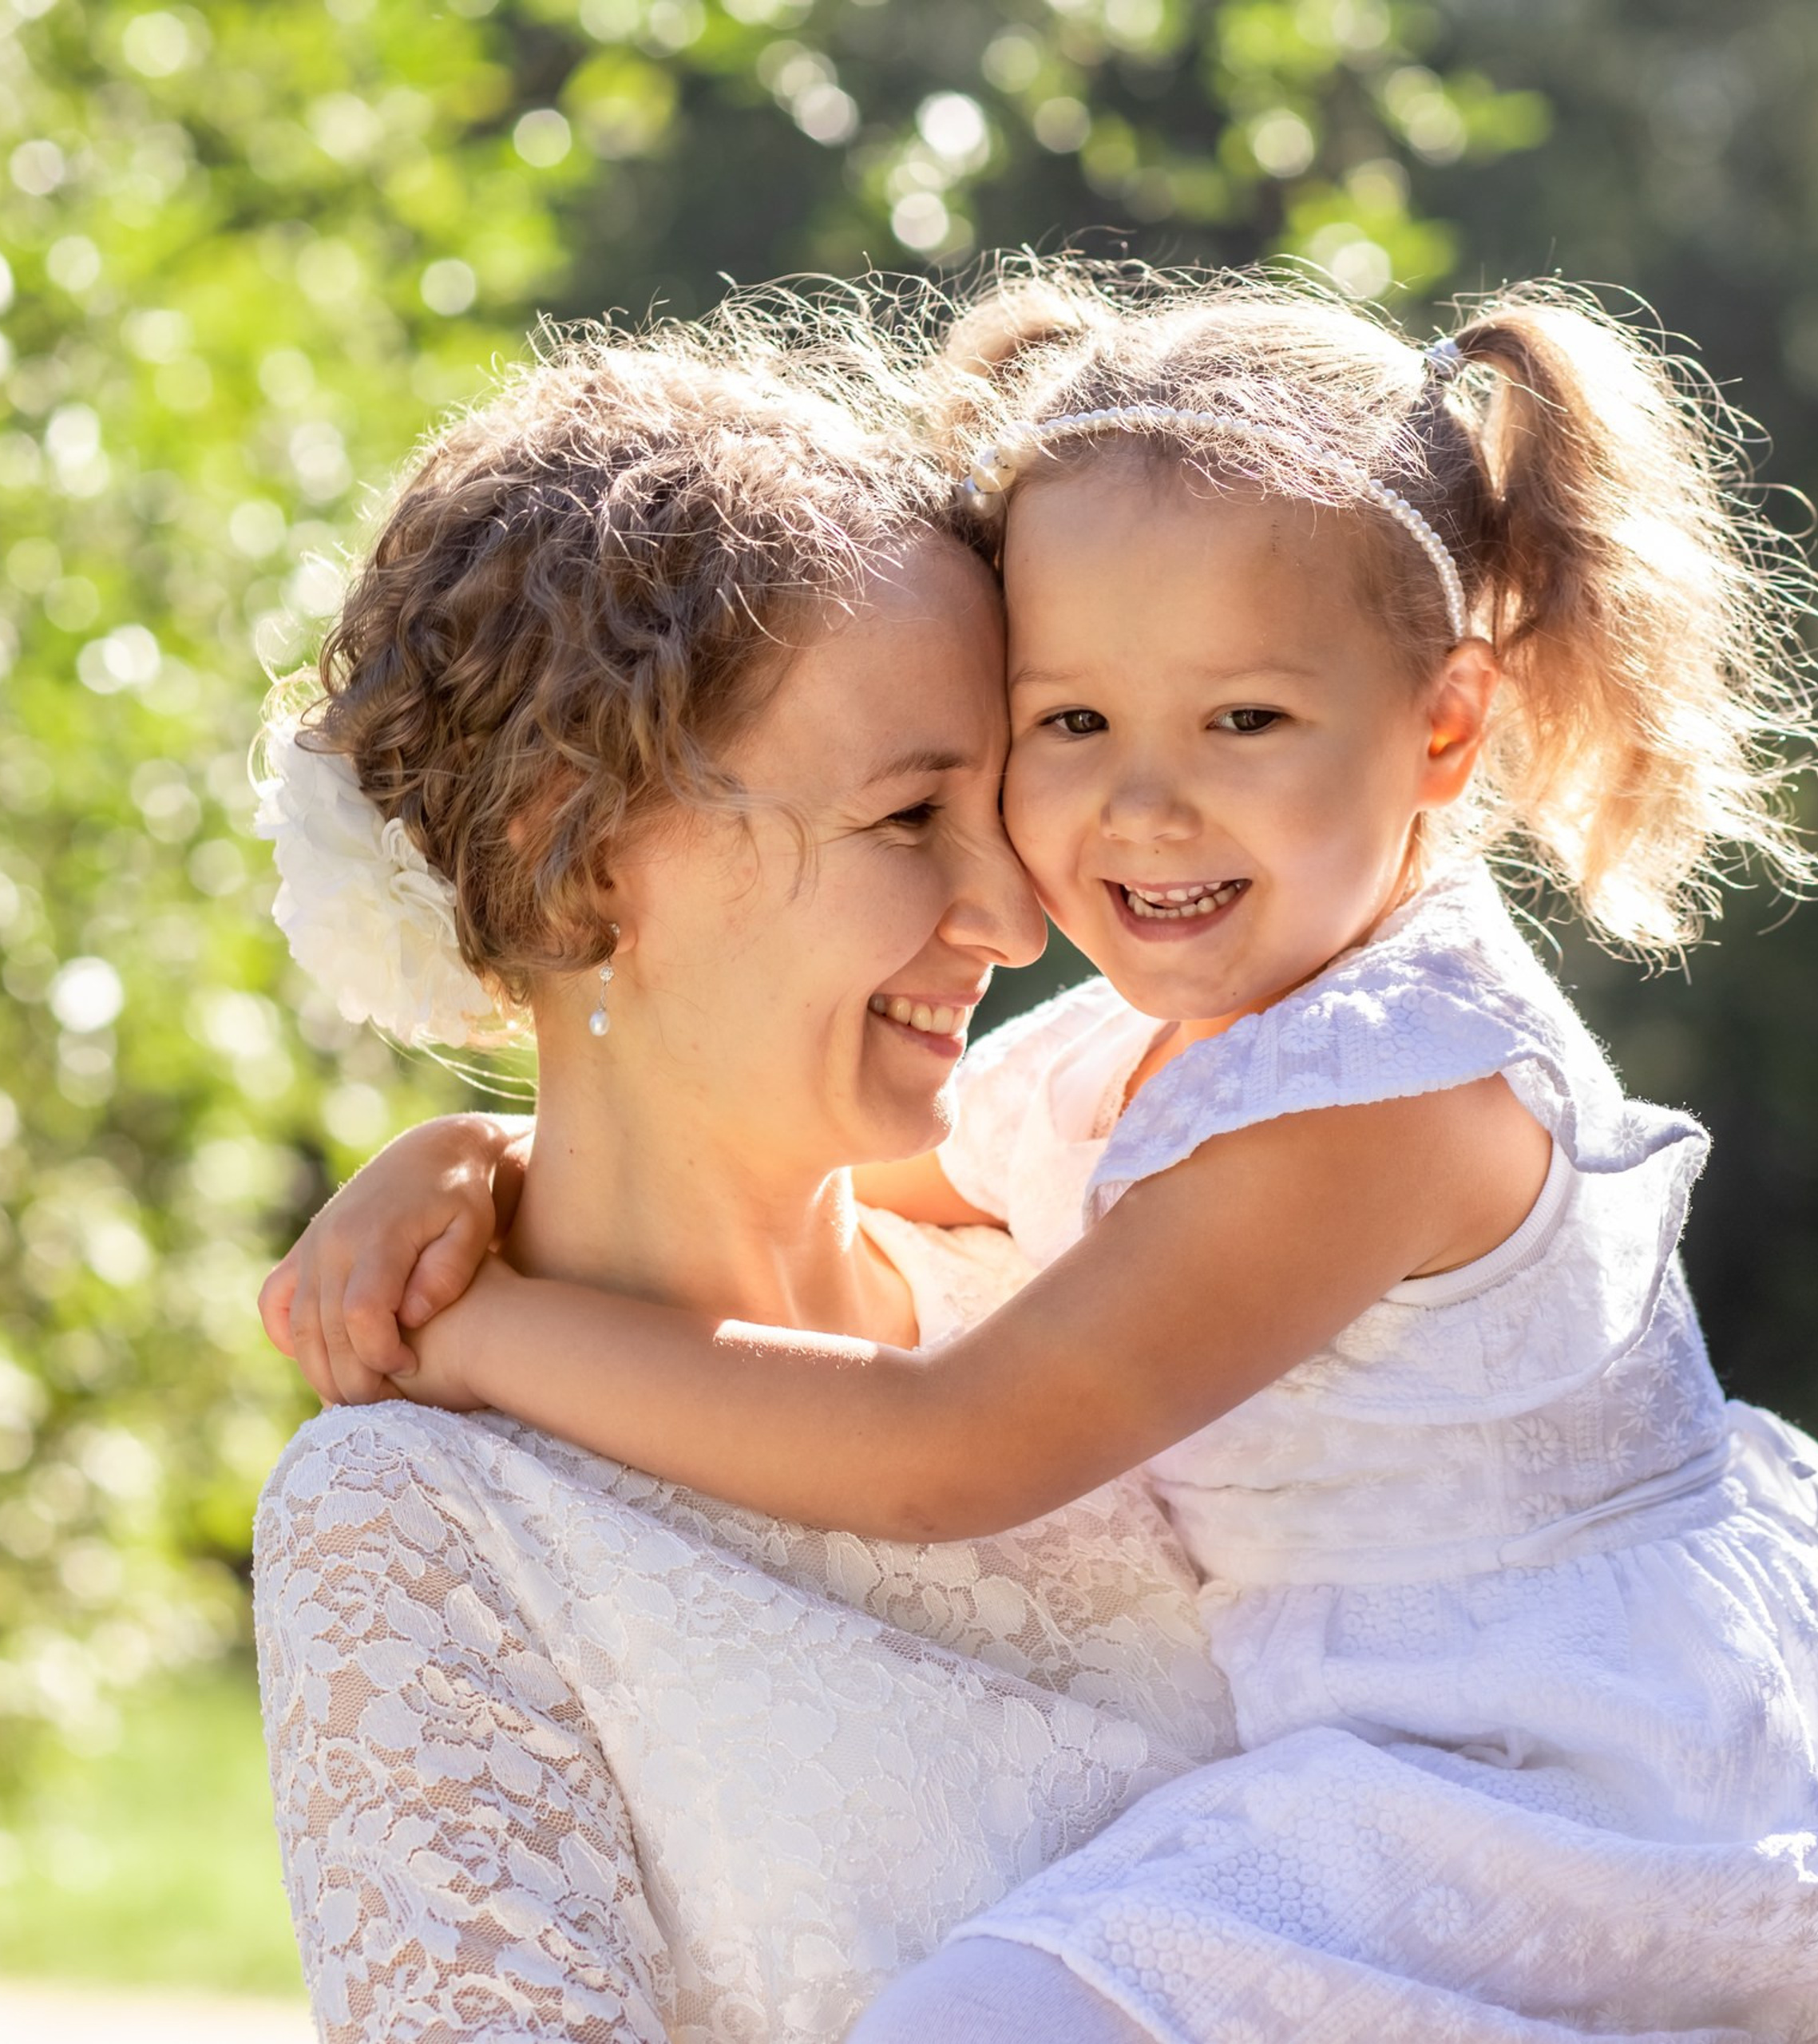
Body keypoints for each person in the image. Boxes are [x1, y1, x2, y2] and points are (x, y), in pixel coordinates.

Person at [273, 267, 1818, 2044]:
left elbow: (945, 1446)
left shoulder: (1334, 1112)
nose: (1035, 895)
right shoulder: (1146, 1085)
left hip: (1567, 1785)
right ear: (573, 856)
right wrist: (474, 1157)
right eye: (1050, 738)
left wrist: (476, 1326)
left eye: (1240, 719)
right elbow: (954, 1192)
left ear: (1443, 727)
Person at [247, 303, 1238, 2044]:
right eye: (908, 816)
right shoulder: (421, 1514)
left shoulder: (1085, 1276)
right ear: (577, 856)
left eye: (1005, 803)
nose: (1016, 919)